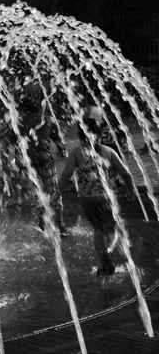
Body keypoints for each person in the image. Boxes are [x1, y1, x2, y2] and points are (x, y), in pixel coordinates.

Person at [57, 115, 137, 276]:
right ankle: (109, 250)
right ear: (100, 134)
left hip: (86, 199)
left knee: (98, 230)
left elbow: (66, 174)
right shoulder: (108, 151)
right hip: (106, 197)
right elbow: (126, 174)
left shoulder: (76, 153)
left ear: (80, 136)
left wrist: (56, 193)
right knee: (113, 229)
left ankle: (102, 266)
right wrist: (132, 190)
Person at [20, 93, 68, 236]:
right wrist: (63, 152)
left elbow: (13, 142)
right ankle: (60, 225)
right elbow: (60, 143)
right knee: (54, 192)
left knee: (39, 193)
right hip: (46, 161)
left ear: (24, 110)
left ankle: (42, 222)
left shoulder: (20, 121)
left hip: (29, 163)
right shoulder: (49, 120)